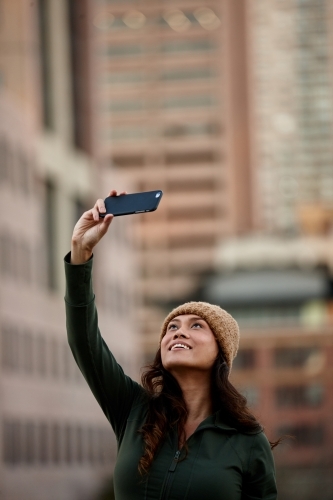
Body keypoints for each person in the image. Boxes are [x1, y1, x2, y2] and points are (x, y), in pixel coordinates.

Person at [65, 190, 278, 500]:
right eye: (172, 328)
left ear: (221, 350)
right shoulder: (133, 411)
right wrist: (80, 251)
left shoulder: (247, 440)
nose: (178, 332)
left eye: (196, 326)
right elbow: (84, 342)